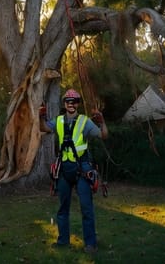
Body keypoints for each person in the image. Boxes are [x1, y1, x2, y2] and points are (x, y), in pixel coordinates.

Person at [39, 88, 109, 254]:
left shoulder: (85, 122)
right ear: (64, 103)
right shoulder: (58, 121)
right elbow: (43, 128)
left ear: (78, 103)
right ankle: (63, 241)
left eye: (75, 101)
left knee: (86, 208)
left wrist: (102, 121)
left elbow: (103, 135)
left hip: (82, 169)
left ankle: (90, 244)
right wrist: (40, 116)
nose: (71, 104)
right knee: (63, 208)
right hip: (63, 170)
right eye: (68, 101)